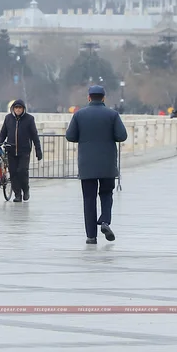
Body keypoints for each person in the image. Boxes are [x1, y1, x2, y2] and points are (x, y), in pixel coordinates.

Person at [65, 85, 128, 245]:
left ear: (89, 97)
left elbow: (70, 136)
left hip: (87, 164)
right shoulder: (112, 115)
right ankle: (105, 220)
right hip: (107, 163)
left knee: (88, 199)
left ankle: (91, 236)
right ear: (104, 98)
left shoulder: (79, 115)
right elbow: (122, 136)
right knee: (106, 193)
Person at [0, 99, 42, 202]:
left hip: (24, 151)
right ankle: (17, 194)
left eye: (20, 107)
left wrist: (38, 150)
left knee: (22, 171)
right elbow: (3, 132)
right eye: (16, 107)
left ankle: (25, 189)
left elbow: (34, 136)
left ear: (23, 109)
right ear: (13, 108)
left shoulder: (29, 119)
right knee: (13, 173)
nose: (18, 109)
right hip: (11, 150)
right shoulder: (8, 118)